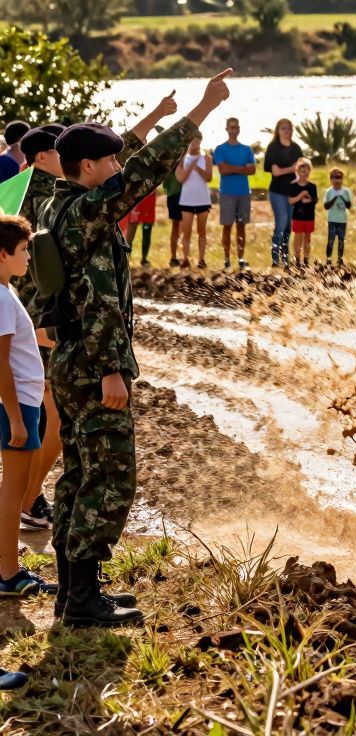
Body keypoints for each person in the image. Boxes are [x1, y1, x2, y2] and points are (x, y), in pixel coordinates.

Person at [41, 71, 231, 627]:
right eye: (109, 162)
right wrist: (201, 109)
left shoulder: (64, 200)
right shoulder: (84, 211)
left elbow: (125, 159)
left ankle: (77, 592)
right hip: (93, 363)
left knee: (80, 474)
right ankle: (80, 600)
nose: (119, 166)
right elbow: (143, 174)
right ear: (88, 169)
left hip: (72, 360)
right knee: (109, 479)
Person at [0, 215, 58, 597]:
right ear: (2, 254)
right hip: (17, 404)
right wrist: (17, 419)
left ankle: (7, 566)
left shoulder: (7, 292)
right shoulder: (2, 298)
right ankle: (8, 573)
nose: (27, 258)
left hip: (21, 401)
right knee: (14, 487)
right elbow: (1, 362)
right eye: (22, 251)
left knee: (14, 485)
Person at [15, 125, 64, 533]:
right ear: (43, 157)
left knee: (45, 414)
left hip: (25, 314)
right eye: (59, 150)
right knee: (53, 415)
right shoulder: (45, 191)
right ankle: (28, 498)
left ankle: (29, 496)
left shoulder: (16, 189)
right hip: (39, 318)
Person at [212, 117, 256, 271]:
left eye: (236, 127)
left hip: (243, 193)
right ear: (226, 129)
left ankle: (241, 259)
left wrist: (232, 168)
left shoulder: (246, 149)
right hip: (227, 194)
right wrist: (241, 168)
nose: (233, 130)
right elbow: (222, 170)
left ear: (239, 129)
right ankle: (226, 259)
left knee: (241, 226)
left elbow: (252, 170)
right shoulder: (220, 149)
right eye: (231, 127)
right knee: (227, 227)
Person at [263, 119, 301, 268]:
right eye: (283, 128)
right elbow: (274, 172)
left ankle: (285, 258)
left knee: (288, 227)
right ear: (278, 130)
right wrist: (291, 169)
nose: (287, 131)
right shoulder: (273, 148)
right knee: (281, 222)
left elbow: (302, 169)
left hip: (292, 192)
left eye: (289, 128)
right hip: (277, 192)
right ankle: (274, 258)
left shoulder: (296, 148)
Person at [175, 134, 213, 269]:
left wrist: (197, 167)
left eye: (197, 139)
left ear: (201, 141)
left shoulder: (207, 158)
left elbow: (209, 177)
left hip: (202, 199)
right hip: (187, 200)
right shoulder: (183, 159)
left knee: (201, 231)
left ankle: (201, 260)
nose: (194, 142)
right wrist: (191, 165)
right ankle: (185, 259)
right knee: (186, 232)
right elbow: (181, 178)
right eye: (192, 139)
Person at [288, 159, 317, 268]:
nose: (304, 173)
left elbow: (315, 200)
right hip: (297, 216)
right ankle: (297, 259)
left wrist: (308, 198)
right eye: (302, 171)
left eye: (306, 171)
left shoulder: (312, 186)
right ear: (297, 172)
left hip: (309, 216)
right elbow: (291, 201)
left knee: (308, 238)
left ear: (309, 172)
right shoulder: (293, 186)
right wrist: (301, 196)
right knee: (298, 237)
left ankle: (306, 259)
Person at [323, 168, 352, 265]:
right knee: (330, 240)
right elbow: (326, 206)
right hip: (332, 220)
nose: (337, 180)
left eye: (339, 177)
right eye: (335, 177)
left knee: (341, 240)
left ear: (342, 179)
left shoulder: (346, 192)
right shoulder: (329, 191)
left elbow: (348, 206)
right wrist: (335, 198)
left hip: (342, 220)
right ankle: (328, 258)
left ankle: (340, 258)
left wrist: (342, 198)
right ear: (331, 179)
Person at [123, 190, 158, 267]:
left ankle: (144, 259)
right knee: (129, 235)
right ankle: (125, 260)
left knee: (147, 231)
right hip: (136, 198)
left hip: (149, 198)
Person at [163, 170, 183, 267]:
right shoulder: (171, 165)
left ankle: (179, 257)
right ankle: (174, 257)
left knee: (178, 227)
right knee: (176, 227)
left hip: (180, 195)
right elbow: (165, 185)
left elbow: (165, 186)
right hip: (174, 196)